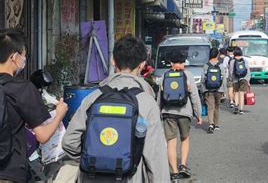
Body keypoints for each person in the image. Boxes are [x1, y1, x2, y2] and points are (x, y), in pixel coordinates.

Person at [62, 35, 170, 182]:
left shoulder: (93, 98)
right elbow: (156, 158)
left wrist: (94, 158)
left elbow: (69, 142)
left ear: (113, 61)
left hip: (92, 177)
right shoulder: (147, 103)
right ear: (142, 65)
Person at [0, 29, 68, 182]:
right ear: (14, 57)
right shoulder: (22, 88)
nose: (24, 60)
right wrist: (59, 114)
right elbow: (42, 135)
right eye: (23, 55)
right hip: (11, 171)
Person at [160, 51, 202, 180]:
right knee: (185, 138)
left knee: (171, 142)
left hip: (168, 113)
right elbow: (194, 96)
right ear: (183, 63)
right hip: (184, 112)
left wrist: (158, 112)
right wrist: (198, 114)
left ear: (171, 63)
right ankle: (183, 165)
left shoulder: (164, 75)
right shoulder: (187, 75)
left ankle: (173, 171)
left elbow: (159, 97)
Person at [201, 48, 225, 134]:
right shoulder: (220, 65)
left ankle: (211, 124)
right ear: (217, 55)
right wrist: (223, 91)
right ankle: (217, 124)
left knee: (210, 107)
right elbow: (223, 79)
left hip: (208, 89)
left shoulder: (206, 65)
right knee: (217, 107)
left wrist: (203, 90)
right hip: (218, 90)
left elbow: (203, 79)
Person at [228, 47, 250, 115]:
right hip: (244, 78)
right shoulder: (245, 60)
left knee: (236, 93)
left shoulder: (232, 61)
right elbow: (248, 71)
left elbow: (231, 72)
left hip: (235, 79)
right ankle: (241, 109)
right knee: (242, 94)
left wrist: (231, 78)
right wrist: (248, 80)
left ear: (234, 53)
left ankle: (236, 106)